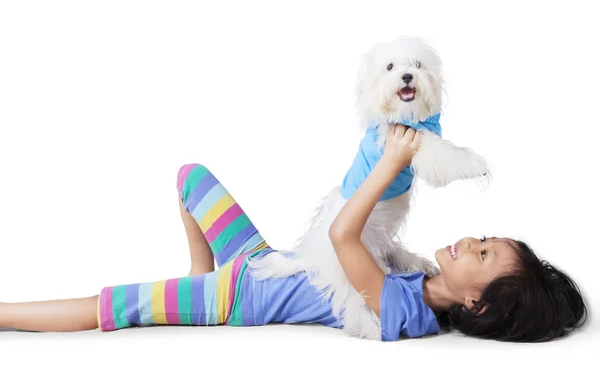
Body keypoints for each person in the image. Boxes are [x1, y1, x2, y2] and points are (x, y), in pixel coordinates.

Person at [0, 126, 587, 342]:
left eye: (482, 255)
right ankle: (194, 281)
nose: (469, 241)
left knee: (113, 306)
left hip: (242, 299)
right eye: (484, 240)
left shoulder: (400, 312)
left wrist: (386, 166)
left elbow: (342, 237)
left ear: (475, 302)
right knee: (190, 178)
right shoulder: (424, 276)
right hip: (261, 262)